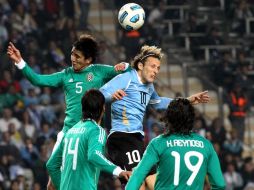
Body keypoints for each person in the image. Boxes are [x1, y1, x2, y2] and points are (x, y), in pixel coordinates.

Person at [7, 34, 129, 189]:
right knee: (52, 170)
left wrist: (124, 65)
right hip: (69, 130)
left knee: (89, 170)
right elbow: (38, 80)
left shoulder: (99, 71)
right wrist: (20, 62)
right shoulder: (65, 75)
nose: (73, 58)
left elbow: (128, 72)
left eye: (77, 56)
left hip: (89, 130)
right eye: (72, 54)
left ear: (88, 60)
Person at [100, 45, 210, 189]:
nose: (155, 71)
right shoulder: (126, 78)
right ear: (140, 65)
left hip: (136, 139)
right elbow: (98, 95)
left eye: (158, 68)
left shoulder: (149, 87)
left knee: (153, 182)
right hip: (122, 138)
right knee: (138, 183)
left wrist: (187, 100)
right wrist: (111, 97)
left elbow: (159, 103)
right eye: (152, 66)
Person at [125, 98, 225, 190]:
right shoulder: (206, 145)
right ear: (191, 119)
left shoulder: (158, 143)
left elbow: (138, 175)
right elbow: (220, 184)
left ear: (168, 118)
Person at [46, 89, 131, 190]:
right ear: (103, 108)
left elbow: (51, 165)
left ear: (83, 108)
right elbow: (94, 155)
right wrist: (119, 171)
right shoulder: (96, 130)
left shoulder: (70, 132)